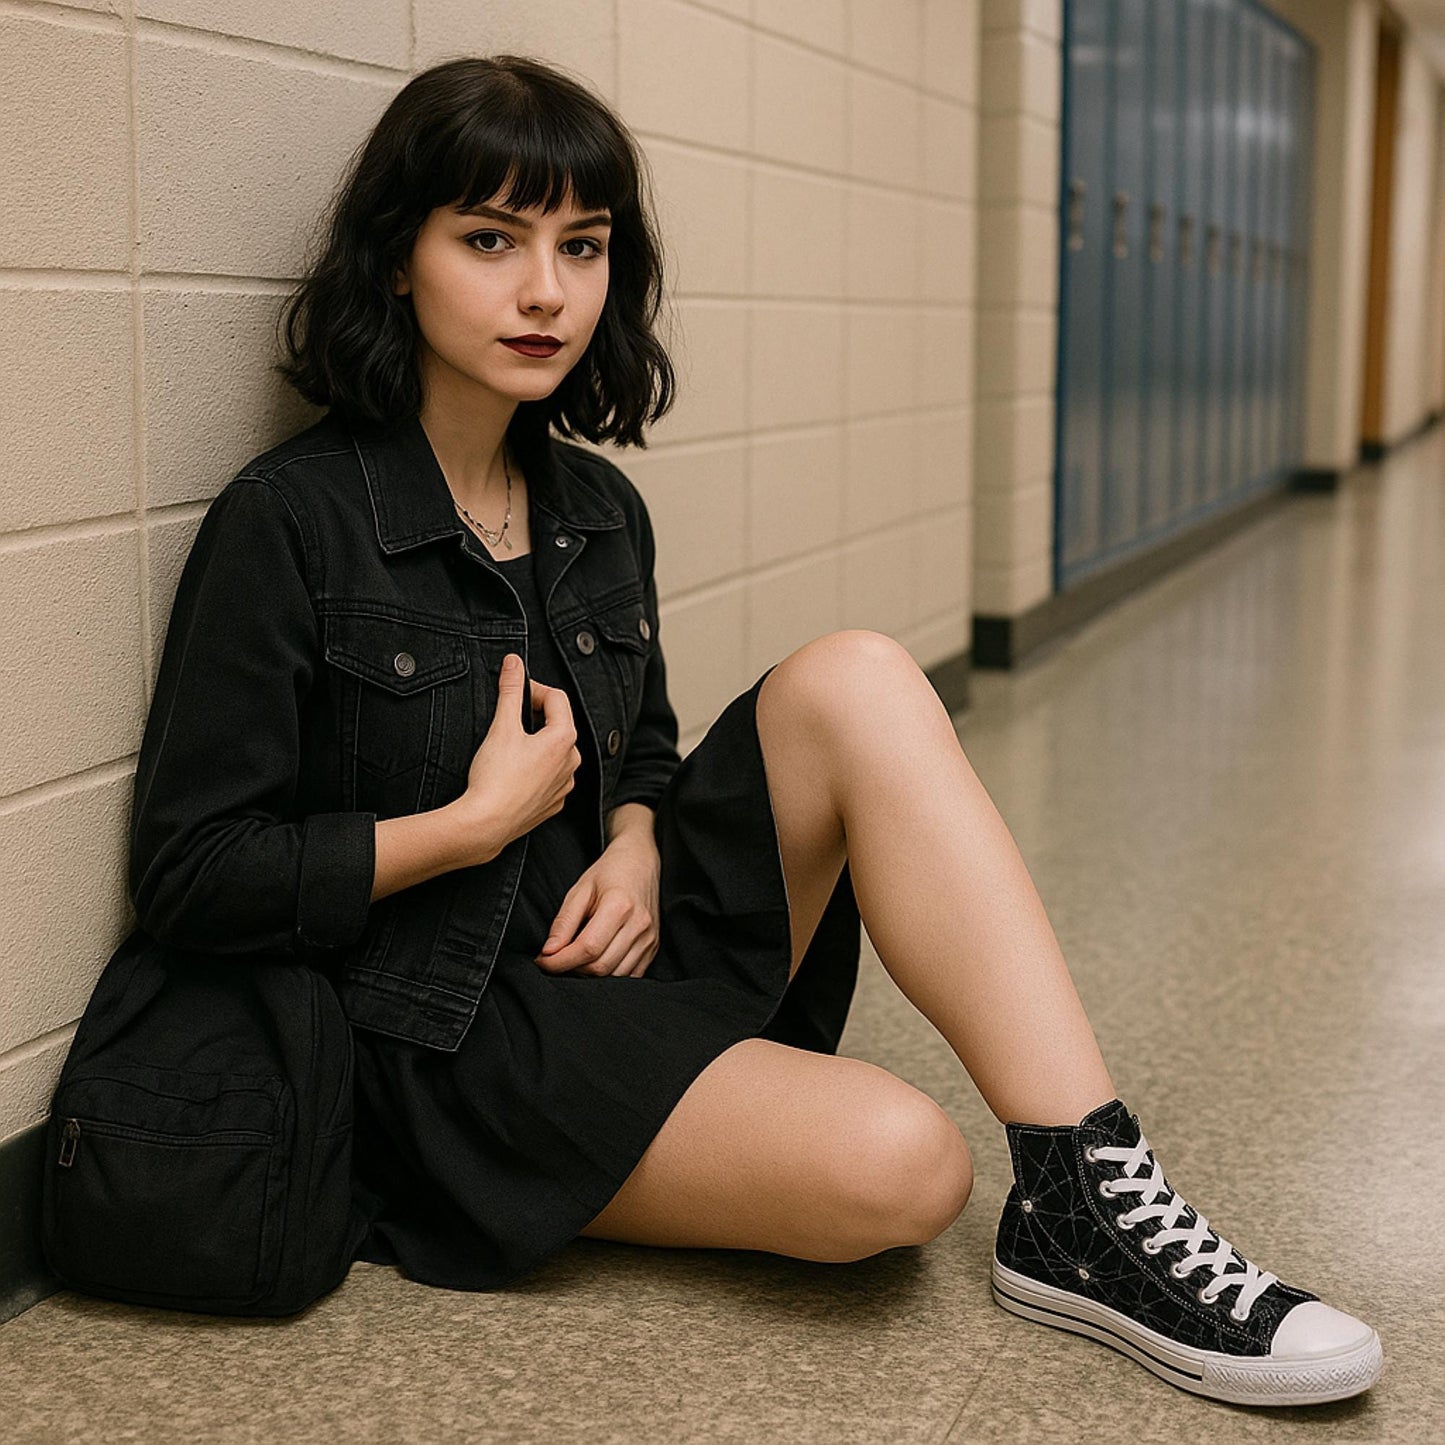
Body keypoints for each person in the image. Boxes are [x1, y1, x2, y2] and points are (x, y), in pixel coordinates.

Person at [127, 54, 1382, 1408]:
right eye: (489, 239)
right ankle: (1034, 1197)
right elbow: (194, 871)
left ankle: (1083, 1189)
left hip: (612, 938)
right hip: (448, 1030)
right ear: (395, 261)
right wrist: (471, 825)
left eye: (581, 245)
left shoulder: (596, 509)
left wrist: (633, 833)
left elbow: (650, 749)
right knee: (904, 1170)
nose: (545, 289)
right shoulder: (293, 520)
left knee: (855, 673)